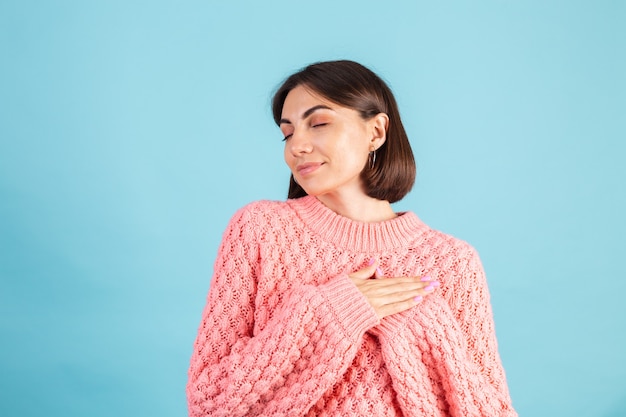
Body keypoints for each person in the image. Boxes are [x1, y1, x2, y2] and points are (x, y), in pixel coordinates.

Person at [187, 60, 517, 416]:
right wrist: (329, 313)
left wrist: (423, 329)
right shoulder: (260, 230)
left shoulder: (453, 262)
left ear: (376, 132)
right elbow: (209, 403)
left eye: (319, 123)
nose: (296, 145)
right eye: (288, 133)